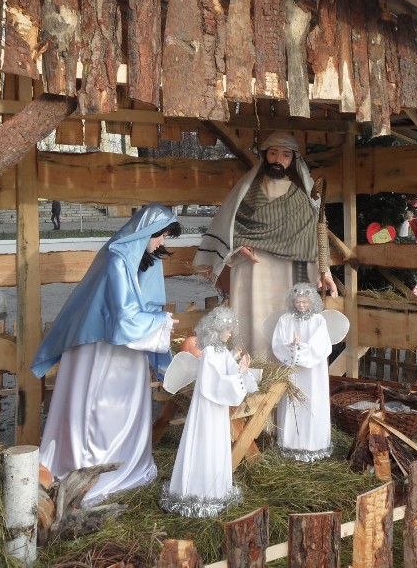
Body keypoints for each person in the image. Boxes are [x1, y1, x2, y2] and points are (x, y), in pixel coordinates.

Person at [31, 204, 181, 504]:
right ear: (145, 232)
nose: (162, 242)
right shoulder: (117, 260)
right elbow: (124, 317)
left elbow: (145, 305)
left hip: (128, 352)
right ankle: (93, 472)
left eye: (165, 236)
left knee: (125, 410)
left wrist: (156, 320)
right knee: (101, 410)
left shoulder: (143, 259)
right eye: (160, 235)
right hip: (102, 350)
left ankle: (125, 465)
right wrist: (160, 322)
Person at [194, 131, 337, 361]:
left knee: (283, 322)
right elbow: (229, 227)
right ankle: (249, 370)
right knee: (252, 325)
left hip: (286, 274)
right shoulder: (247, 193)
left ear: (292, 160)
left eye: (285, 155)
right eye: (273, 153)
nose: (279, 160)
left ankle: (283, 369)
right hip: (252, 271)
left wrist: (325, 271)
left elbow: (313, 237)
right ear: (265, 156)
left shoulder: (300, 198)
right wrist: (237, 246)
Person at [160, 307, 259, 518]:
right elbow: (215, 382)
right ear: (216, 330)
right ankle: (200, 490)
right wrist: (239, 373)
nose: (230, 333)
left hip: (217, 408)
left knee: (215, 442)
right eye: (227, 330)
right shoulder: (210, 353)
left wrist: (237, 363)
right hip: (208, 407)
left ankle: (216, 489)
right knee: (206, 442)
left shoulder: (220, 350)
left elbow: (226, 369)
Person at [272, 283, 333, 462]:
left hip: (313, 373)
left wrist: (301, 348)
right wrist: (292, 347)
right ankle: (291, 443)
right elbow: (277, 343)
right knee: (293, 404)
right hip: (293, 372)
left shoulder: (318, 321)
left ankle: (314, 445)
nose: (301, 305)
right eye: (298, 301)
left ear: (311, 302)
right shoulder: (285, 319)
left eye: (305, 302)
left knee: (312, 403)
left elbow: (321, 347)